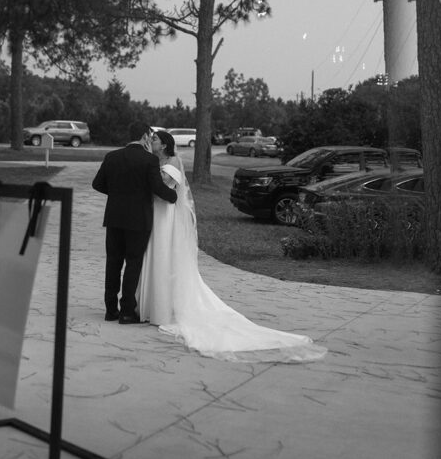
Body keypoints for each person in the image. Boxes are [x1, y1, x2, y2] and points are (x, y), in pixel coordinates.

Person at [137, 130, 326, 363]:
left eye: (155, 140)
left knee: (165, 257)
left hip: (166, 216)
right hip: (154, 216)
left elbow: (163, 190)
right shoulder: (154, 161)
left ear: (164, 144)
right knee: (154, 256)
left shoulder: (174, 161)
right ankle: (151, 305)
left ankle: (163, 308)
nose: (151, 142)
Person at [92, 121, 177, 324]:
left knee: (113, 263)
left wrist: (116, 194)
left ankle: (110, 309)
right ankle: (127, 311)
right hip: (138, 219)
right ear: (145, 136)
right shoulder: (148, 160)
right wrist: (173, 196)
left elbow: (97, 184)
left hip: (114, 217)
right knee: (133, 263)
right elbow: (157, 187)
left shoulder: (111, 157)